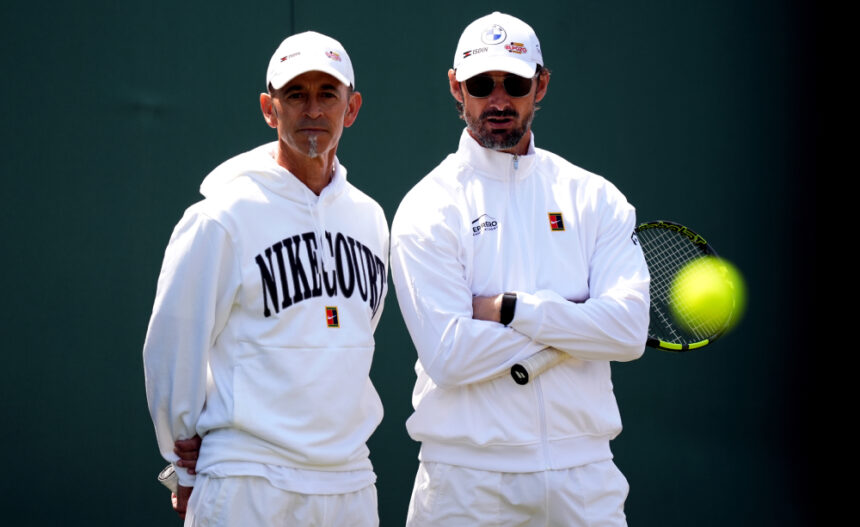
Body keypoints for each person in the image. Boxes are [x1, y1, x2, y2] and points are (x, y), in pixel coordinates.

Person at [389, 12, 650, 526]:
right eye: (482, 84)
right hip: (466, 485)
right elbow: (449, 355)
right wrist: (578, 324)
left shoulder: (595, 197)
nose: (499, 99)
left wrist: (511, 309)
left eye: (515, 83)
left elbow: (627, 332)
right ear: (456, 88)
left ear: (542, 85)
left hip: (586, 480)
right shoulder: (428, 206)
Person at [143, 30, 389, 526]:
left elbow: (360, 335)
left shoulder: (370, 218)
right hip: (247, 480)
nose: (313, 110)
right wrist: (178, 472)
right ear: (269, 108)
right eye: (296, 95)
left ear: (353, 107)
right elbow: (171, 350)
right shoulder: (220, 217)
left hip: (350, 482)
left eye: (327, 95)